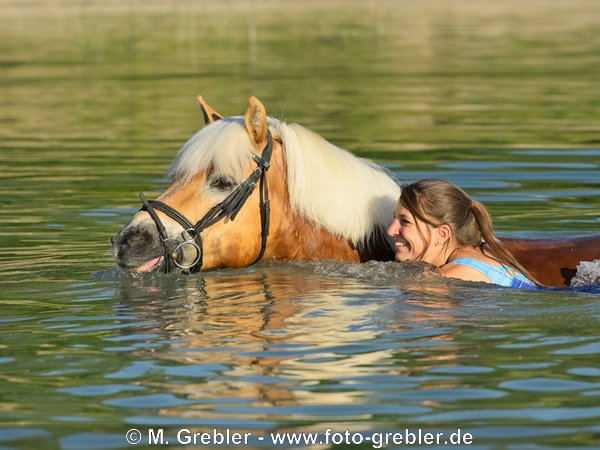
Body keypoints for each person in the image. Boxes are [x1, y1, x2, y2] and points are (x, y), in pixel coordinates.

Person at [387, 179, 542, 289]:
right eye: (394, 218)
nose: (391, 230)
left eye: (405, 221)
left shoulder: (450, 275)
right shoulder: (479, 252)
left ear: (442, 234)